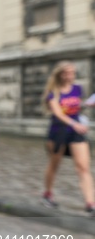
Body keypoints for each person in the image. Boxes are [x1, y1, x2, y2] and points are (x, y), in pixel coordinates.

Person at [41, 61, 95, 215]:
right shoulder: (53, 92)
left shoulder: (78, 89)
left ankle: (90, 204)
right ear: (61, 74)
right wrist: (74, 124)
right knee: (54, 165)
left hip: (76, 132)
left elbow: (76, 107)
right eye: (68, 72)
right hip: (58, 132)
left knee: (83, 167)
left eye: (73, 72)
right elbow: (58, 113)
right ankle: (47, 194)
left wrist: (87, 105)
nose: (72, 75)